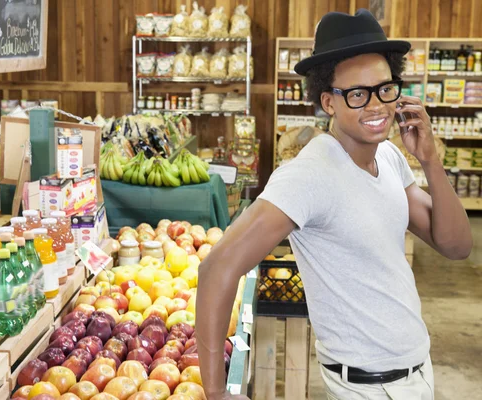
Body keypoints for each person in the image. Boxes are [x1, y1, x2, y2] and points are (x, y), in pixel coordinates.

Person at [196, 9, 473, 400]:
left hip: (415, 370)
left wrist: (430, 159)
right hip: (365, 386)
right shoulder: (310, 174)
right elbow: (216, 269)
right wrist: (215, 391)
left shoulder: (390, 158)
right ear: (328, 101)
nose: (376, 105)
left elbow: (456, 246)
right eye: (358, 94)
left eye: (385, 88)